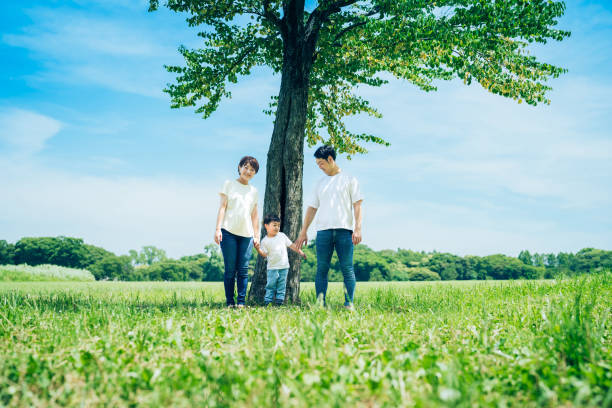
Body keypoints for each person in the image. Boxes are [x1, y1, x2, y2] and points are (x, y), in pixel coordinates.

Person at [295, 145, 363, 309]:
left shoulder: (349, 179)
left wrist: (358, 228)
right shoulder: (320, 183)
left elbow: (357, 205)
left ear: (330, 159)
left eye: (321, 163)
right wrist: (303, 231)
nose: (320, 167)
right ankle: (320, 304)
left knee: (347, 268)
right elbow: (312, 208)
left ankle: (349, 303)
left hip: (344, 231)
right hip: (323, 232)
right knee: (321, 269)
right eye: (318, 164)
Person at [214, 156, 260, 308]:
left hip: (247, 235)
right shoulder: (229, 184)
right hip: (228, 232)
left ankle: (241, 302)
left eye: (252, 170)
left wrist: (256, 235)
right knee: (230, 269)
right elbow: (222, 207)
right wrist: (217, 229)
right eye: (246, 167)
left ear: (254, 173)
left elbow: (254, 214)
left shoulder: (254, 191)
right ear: (239, 167)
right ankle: (229, 302)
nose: (248, 171)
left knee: (243, 270)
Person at [254, 214, 306, 305]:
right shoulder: (265, 241)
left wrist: (300, 251)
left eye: (278, 225)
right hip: (272, 268)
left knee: (282, 286)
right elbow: (264, 255)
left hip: (284, 267)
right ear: (266, 226)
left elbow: (292, 245)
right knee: (270, 285)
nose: (277, 227)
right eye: (274, 225)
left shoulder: (282, 236)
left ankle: (279, 302)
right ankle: (268, 301)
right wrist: (258, 249)